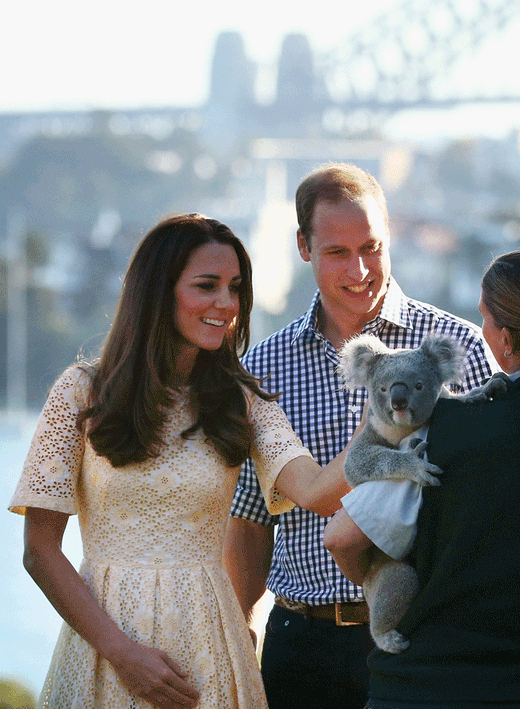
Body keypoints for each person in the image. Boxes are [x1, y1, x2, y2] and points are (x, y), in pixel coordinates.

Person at [9, 214, 424, 709]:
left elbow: (316, 492)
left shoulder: (242, 400)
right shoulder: (80, 393)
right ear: (158, 291)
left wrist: (381, 412)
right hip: (106, 646)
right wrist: (121, 652)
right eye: (206, 286)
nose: (226, 304)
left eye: (234, 288)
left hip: (211, 647)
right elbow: (40, 550)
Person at [324, 249, 520, 709]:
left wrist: (394, 596)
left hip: (426, 693)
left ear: (508, 341)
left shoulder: (444, 430)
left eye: (484, 319)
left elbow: (341, 539)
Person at [224, 163, 492, 709]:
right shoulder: (263, 369)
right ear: (303, 246)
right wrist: (241, 636)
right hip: (304, 645)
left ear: (389, 235)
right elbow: (251, 519)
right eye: (337, 252)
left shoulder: (456, 350)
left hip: (426, 636)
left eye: (371, 246)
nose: (360, 269)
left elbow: (498, 495)